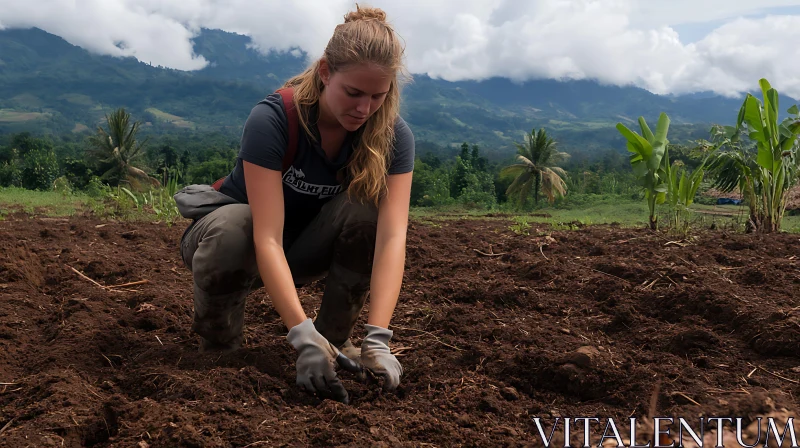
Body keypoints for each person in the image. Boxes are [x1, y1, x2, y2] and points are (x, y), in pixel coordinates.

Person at [174, 4, 414, 405]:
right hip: (234, 245)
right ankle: (220, 349)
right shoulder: (275, 119)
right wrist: (300, 338)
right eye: (353, 93)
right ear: (325, 72)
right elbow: (266, 236)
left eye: (377, 96)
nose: (364, 108)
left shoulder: (393, 136)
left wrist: (380, 338)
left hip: (304, 250)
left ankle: (337, 341)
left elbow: (393, 237)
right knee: (237, 224)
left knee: (368, 210)